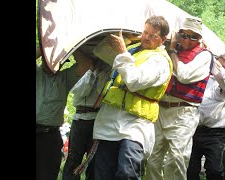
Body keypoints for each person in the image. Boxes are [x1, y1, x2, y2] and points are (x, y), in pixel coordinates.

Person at [92, 15, 173, 180]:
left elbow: (134, 81)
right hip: (109, 122)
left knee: (127, 173)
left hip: (135, 126)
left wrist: (122, 51)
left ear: (163, 39)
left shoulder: (161, 61)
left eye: (153, 35)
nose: (146, 38)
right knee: (102, 174)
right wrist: (127, 41)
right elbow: (99, 51)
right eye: (145, 33)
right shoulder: (133, 50)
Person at [145, 16, 213, 180]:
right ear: (179, 34)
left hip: (184, 112)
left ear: (200, 38)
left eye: (194, 36)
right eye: (184, 35)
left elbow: (184, 75)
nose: (188, 40)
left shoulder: (205, 56)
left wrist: (173, 51)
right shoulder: (166, 49)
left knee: (176, 159)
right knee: (152, 158)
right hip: (161, 108)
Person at [36, 46, 92, 180]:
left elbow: (86, 65)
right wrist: (47, 45)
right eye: (49, 60)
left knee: (47, 175)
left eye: (56, 61)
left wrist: (70, 45)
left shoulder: (65, 77)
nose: (52, 63)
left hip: (49, 137)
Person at [187, 54, 225, 180]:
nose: (217, 68)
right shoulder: (205, 79)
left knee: (215, 171)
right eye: (217, 65)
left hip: (215, 134)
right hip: (195, 130)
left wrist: (210, 57)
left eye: (223, 66)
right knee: (190, 169)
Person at [62, 56, 111, 180]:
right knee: (74, 158)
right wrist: (91, 72)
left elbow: (103, 92)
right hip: (80, 120)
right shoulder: (82, 72)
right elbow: (79, 92)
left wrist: (99, 73)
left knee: (93, 159)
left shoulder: (107, 73)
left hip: (97, 121)